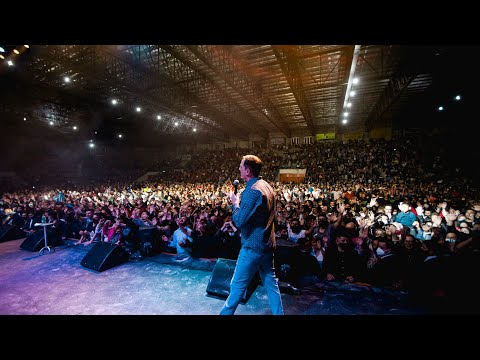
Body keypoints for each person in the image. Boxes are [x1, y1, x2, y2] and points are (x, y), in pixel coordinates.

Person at [219, 154, 284, 315]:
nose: (239, 169)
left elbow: (239, 221)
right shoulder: (266, 186)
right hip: (267, 245)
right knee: (271, 285)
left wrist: (235, 203)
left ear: (247, 170)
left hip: (252, 247)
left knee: (237, 287)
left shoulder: (252, 191)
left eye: (241, 166)